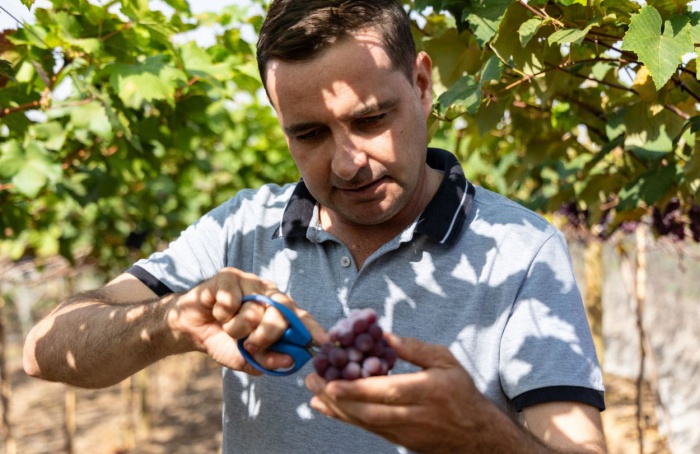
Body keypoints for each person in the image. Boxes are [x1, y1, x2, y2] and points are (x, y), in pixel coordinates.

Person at [23, 0, 607, 452]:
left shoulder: (521, 250)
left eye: (372, 118)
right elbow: (45, 348)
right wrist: (172, 319)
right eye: (308, 134)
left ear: (424, 86)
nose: (349, 162)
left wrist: (479, 436)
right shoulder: (242, 227)